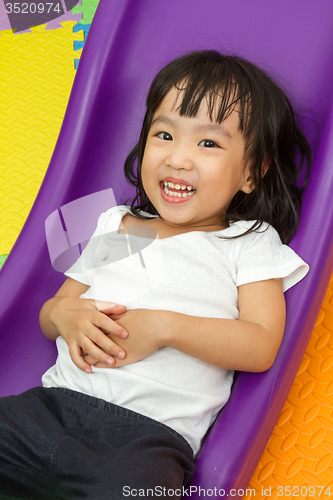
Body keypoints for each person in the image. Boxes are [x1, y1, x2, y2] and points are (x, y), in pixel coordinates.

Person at [0, 50, 311, 499]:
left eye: (208, 143)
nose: (178, 159)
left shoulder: (248, 243)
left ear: (251, 171)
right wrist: (66, 317)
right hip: (50, 409)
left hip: (145, 439)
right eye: (164, 134)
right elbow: (54, 310)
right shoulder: (122, 225)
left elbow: (260, 344)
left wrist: (165, 327)